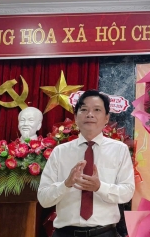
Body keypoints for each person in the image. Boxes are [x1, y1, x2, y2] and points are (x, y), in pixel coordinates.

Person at [38, 90, 135, 237]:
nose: (90, 114)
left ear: (106, 118)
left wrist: (99, 187)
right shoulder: (60, 152)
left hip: (104, 233)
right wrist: (66, 184)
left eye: (97, 110)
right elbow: (44, 199)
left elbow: (127, 192)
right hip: (65, 233)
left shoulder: (119, 150)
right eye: (84, 109)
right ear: (76, 117)